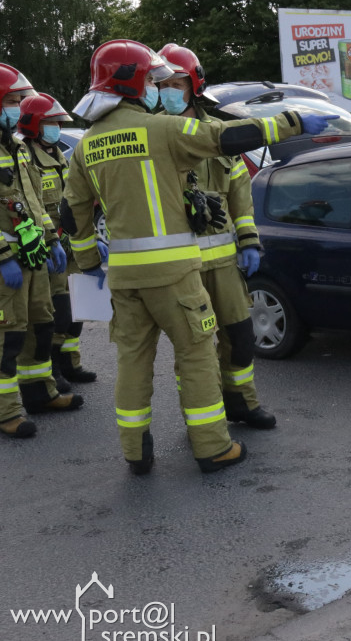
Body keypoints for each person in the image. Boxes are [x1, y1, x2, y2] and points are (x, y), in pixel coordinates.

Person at [61, 40, 334, 473]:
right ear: (133, 82)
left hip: (123, 280)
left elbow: (71, 208)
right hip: (174, 275)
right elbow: (226, 137)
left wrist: (90, 263)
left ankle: (135, 452)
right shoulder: (162, 129)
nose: (157, 87)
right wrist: (294, 120)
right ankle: (211, 447)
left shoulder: (86, 145)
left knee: (132, 362)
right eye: (151, 79)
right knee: (197, 354)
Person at [157, 43, 275, 430]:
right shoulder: (155, 134)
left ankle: (241, 403)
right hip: (182, 266)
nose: (168, 92)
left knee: (240, 338)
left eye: (176, 83)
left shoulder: (220, 134)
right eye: (162, 84)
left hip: (224, 264)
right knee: (194, 350)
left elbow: (241, 196)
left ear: (194, 86)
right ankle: (200, 420)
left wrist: (250, 240)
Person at [0, 64, 82, 439]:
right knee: (8, 334)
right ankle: (6, 412)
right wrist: (2, 255)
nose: (19, 108)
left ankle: (40, 393)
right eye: (14, 101)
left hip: (32, 253)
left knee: (41, 323)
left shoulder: (15, 147)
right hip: (7, 258)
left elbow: (32, 201)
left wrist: (50, 241)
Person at [18, 93, 98, 391]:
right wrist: (51, 239)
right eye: (50, 122)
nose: (55, 127)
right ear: (34, 125)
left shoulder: (59, 154)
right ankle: (52, 368)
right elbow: (32, 205)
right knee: (58, 312)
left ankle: (70, 363)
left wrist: (94, 237)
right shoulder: (24, 157)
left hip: (72, 242)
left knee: (80, 309)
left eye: (57, 122)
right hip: (49, 246)